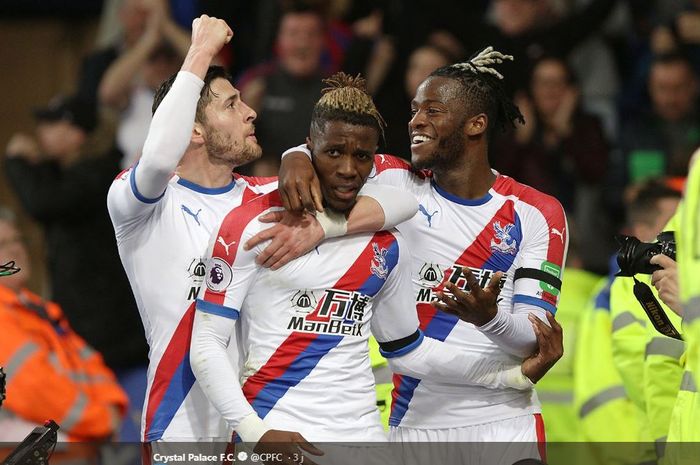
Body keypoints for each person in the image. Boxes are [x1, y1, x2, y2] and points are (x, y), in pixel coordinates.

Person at [190, 72, 563, 462]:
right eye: (333, 153)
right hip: (314, 426)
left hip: (400, 435)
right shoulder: (254, 225)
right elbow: (207, 343)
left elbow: (406, 348)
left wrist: (505, 366)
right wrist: (254, 433)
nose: (350, 169)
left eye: (433, 111)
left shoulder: (392, 237)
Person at [107, 15, 417, 451]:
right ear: (193, 130)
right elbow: (158, 159)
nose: (250, 110)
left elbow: (402, 195)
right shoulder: (139, 203)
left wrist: (315, 203)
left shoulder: (264, 197)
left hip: (258, 421)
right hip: (181, 426)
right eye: (230, 104)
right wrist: (200, 52)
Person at [4, 94, 149, 441]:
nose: (41, 131)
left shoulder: (98, 175)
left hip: (120, 344)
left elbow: (44, 202)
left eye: (53, 124)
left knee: (135, 443)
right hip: (100, 344)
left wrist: (16, 163)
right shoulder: (73, 174)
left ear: (78, 134)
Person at [0, 207, 127, 444]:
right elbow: (36, 390)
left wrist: (110, 408)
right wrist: (101, 420)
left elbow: (90, 365)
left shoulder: (40, 309)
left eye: (17, 239)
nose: (15, 249)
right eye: (2, 244)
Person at [608, 179, 682, 463]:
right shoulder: (630, 288)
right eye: (671, 225)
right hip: (660, 439)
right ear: (643, 233)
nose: (680, 235)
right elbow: (639, 367)